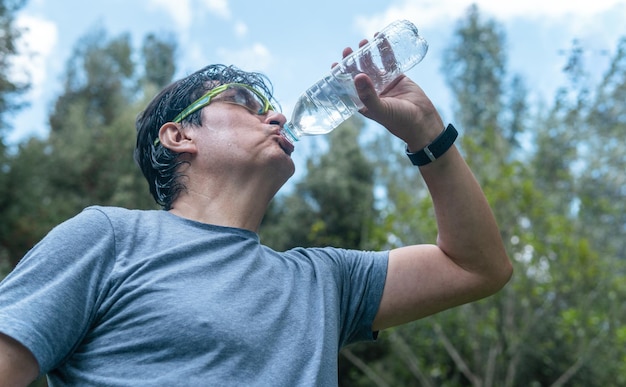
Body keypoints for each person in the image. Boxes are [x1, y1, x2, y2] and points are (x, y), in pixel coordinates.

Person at [0, 34, 512, 386]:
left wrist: (427, 134)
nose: (278, 116)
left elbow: (478, 266)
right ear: (180, 135)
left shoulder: (324, 281)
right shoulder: (109, 238)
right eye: (245, 102)